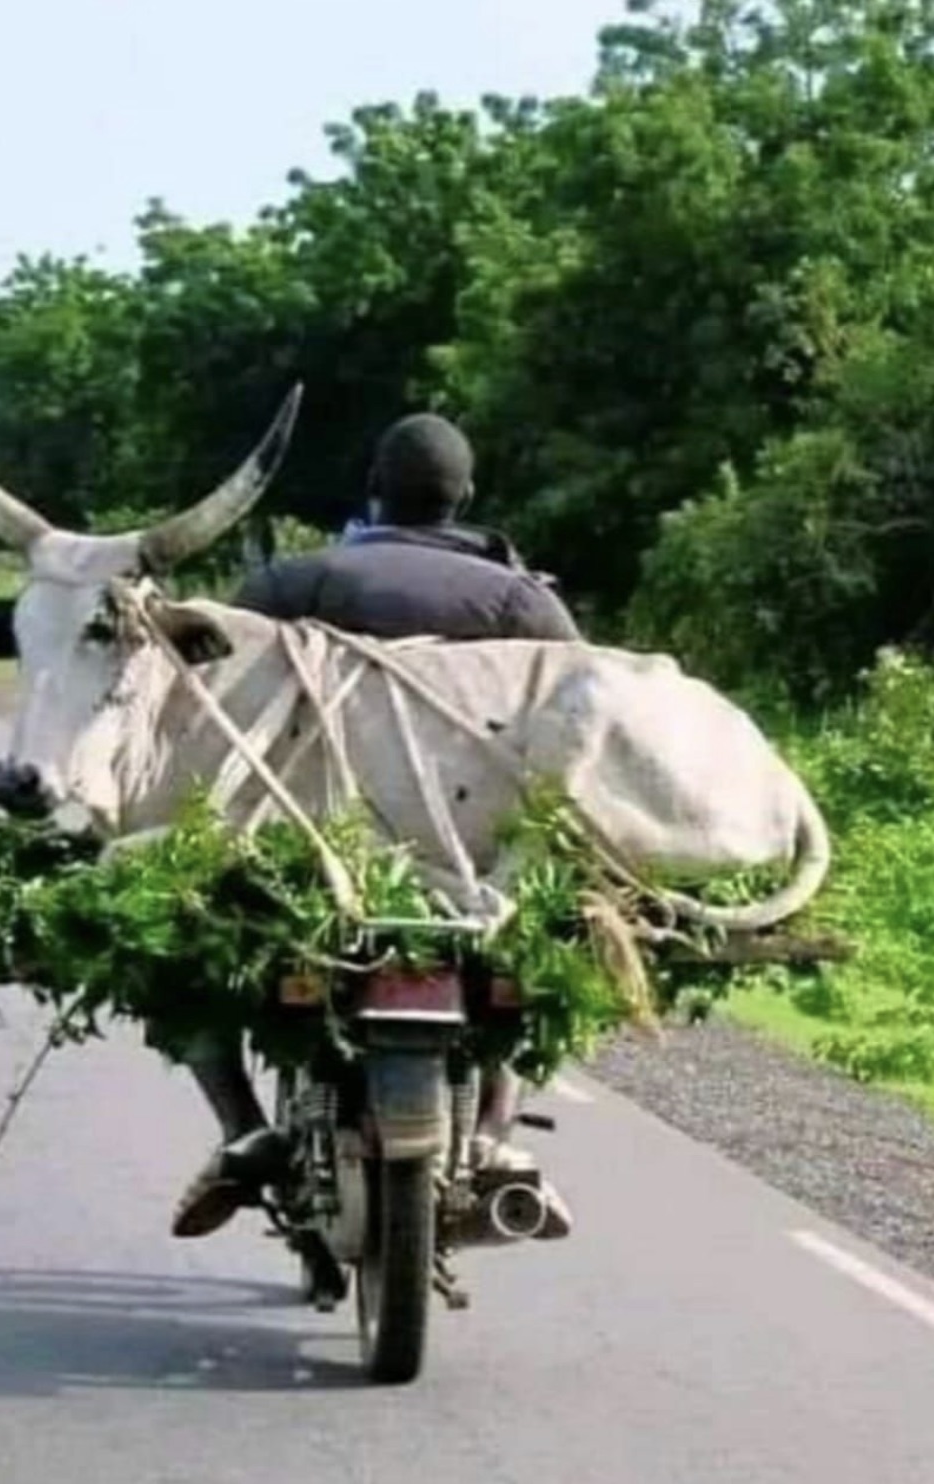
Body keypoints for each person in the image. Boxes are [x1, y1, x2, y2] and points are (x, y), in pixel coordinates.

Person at [174, 412, 582, 1239]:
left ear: (373, 491)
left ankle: (244, 1127)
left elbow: (213, 701)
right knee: (550, 954)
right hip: (476, 860)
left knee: (183, 937)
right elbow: (579, 716)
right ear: (464, 497)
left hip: (316, 846)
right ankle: (498, 1132)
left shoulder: (296, 582)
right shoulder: (520, 600)